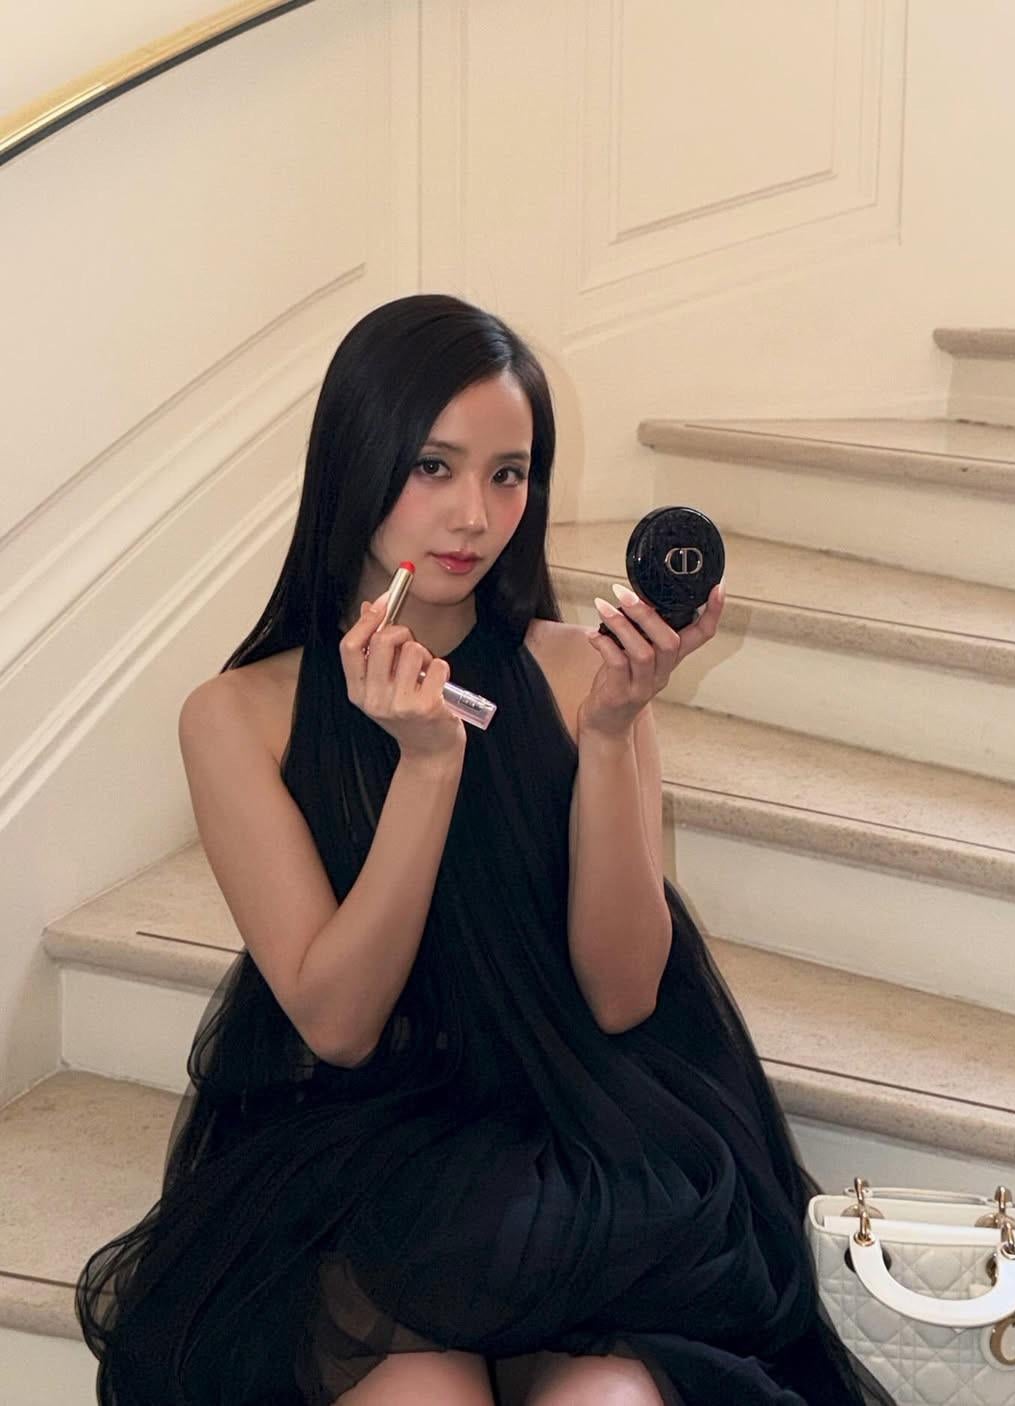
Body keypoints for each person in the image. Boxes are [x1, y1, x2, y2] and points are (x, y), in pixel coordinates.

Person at [75, 294, 897, 1406]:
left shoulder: (579, 672)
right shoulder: (236, 717)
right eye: (433, 466)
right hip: (365, 1144)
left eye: (509, 473)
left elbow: (621, 994)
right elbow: (339, 1022)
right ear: (358, 460)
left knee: (608, 1401)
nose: (473, 514)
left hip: (585, 1124)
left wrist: (610, 734)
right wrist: (427, 767)